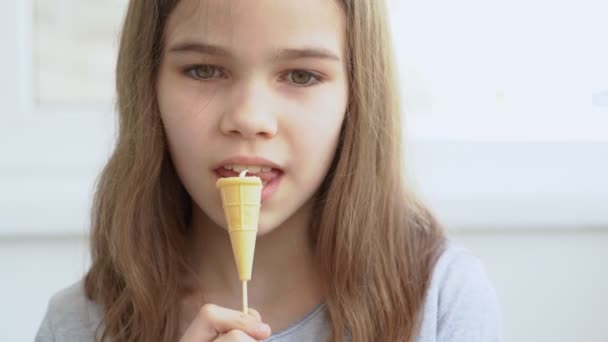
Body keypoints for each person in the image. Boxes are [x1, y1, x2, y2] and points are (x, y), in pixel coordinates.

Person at [35, 0, 503, 341]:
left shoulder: (441, 301)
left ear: (356, 96)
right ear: (148, 87)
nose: (250, 118)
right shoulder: (80, 323)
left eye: (301, 75)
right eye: (203, 70)